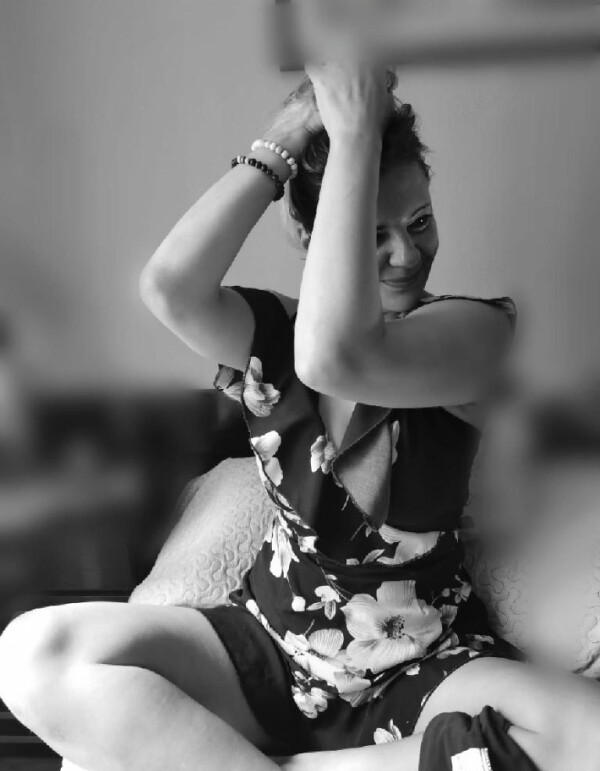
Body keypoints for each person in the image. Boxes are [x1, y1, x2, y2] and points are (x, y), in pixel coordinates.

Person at [1, 63, 600, 771]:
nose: (406, 254)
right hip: (266, 650)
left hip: (422, 664)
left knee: (588, 733)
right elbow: (169, 288)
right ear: (310, 230)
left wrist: (357, 135)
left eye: (419, 222)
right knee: (30, 653)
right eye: (372, 233)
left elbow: (338, 358)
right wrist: (289, 136)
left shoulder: (475, 330)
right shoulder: (275, 338)